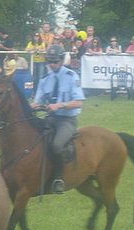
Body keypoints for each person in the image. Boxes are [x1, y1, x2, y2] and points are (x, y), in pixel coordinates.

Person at [30, 44, 85, 193]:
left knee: (56, 145)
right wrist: (31, 107)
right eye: (49, 61)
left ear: (61, 60)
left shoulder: (71, 76)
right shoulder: (45, 78)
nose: (52, 64)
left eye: (54, 61)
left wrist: (60, 105)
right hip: (50, 118)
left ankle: (59, 178)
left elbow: (79, 102)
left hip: (66, 121)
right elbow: (38, 101)